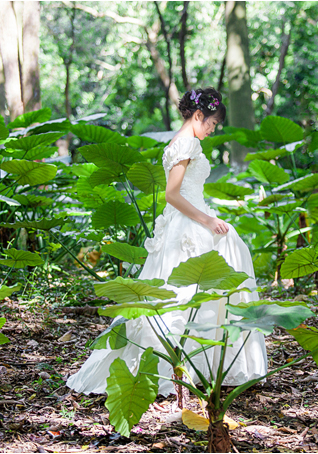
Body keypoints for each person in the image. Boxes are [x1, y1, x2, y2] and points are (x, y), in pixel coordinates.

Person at [66, 87, 268, 397]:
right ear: (198, 115)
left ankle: (205, 366)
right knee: (185, 292)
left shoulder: (181, 141)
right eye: (212, 123)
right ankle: (185, 366)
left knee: (197, 284)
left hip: (190, 218)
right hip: (188, 224)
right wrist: (207, 220)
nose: (213, 129)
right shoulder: (186, 143)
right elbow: (172, 195)